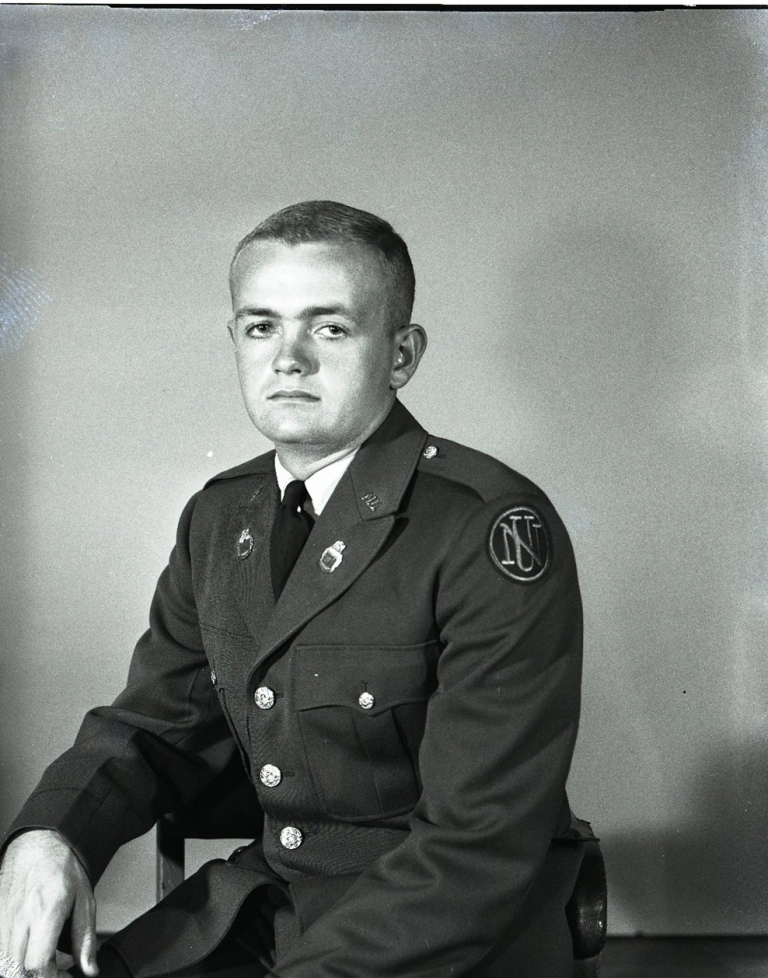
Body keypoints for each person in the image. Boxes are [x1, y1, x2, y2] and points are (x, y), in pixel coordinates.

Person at [0, 201, 589, 978]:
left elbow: (476, 847)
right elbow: (156, 726)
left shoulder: (486, 528)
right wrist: (54, 835)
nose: (289, 358)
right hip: (273, 904)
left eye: (331, 327)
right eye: (261, 326)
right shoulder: (220, 516)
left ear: (402, 353)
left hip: (442, 936)